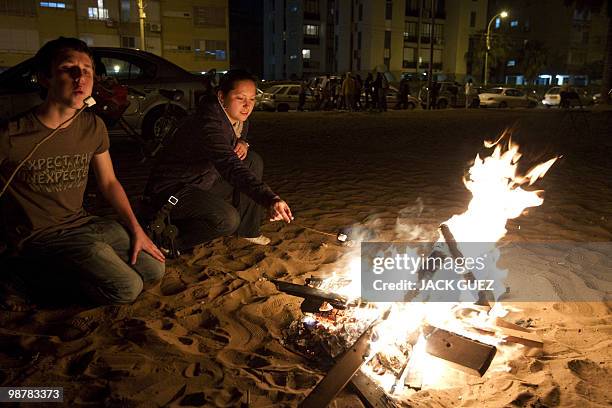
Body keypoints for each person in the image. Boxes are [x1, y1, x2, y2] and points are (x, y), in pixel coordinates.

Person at [0, 37, 165, 306]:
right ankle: (21, 280)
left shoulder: (92, 126)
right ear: (45, 78)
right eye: (68, 69)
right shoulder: (12, 134)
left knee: (153, 270)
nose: (80, 78)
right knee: (127, 288)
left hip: (84, 224)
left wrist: (136, 229)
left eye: (87, 70)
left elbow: (109, 182)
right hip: (38, 237)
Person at [144, 69, 293, 252]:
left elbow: (240, 135)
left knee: (252, 160)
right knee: (227, 219)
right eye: (240, 98)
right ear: (222, 96)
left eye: (252, 99)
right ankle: (170, 243)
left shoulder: (236, 117)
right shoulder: (209, 123)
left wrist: (243, 142)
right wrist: (270, 198)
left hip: (203, 178)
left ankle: (248, 230)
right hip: (173, 189)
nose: (247, 106)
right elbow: (229, 165)